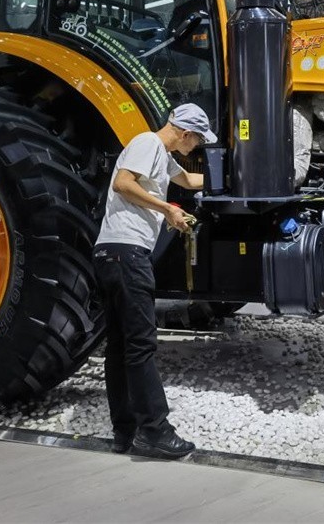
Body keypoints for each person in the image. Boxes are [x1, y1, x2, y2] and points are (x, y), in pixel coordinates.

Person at [93, 103, 216, 457]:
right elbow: (123, 183)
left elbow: (189, 181)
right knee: (141, 345)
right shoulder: (148, 143)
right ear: (186, 133)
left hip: (111, 253)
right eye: (198, 141)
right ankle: (154, 431)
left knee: (120, 347)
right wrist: (167, 209)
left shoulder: (162, 156)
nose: (197, 147)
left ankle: (125, 431)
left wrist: (237, 175)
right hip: (128, 255)